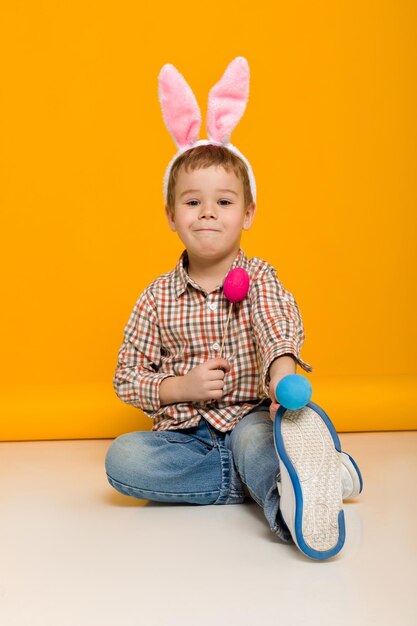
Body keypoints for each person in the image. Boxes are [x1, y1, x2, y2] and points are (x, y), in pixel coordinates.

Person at [105, 57, 363, 560]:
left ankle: (287, 503)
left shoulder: (260, 276)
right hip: (184, 437)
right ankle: (304, 476)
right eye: (192, 202)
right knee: (123, 460)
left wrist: (281, 374)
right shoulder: (156, 297)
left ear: (247, 213)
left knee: (257, 445)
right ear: (170, 214)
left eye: (223, 202)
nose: (207, 212)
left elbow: (275, 324)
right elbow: (125, 376)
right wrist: (179, 387)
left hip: (249, 418)